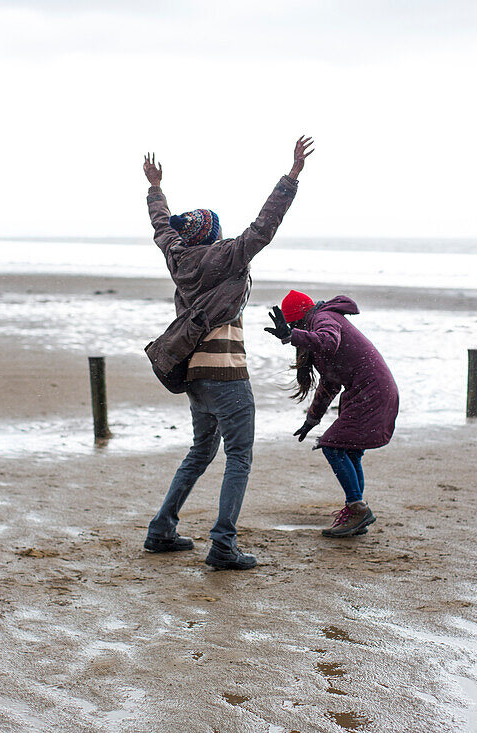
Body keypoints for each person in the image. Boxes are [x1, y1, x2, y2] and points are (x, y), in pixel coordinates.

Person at [142, 136, 315, 570]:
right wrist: (291, 176)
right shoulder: (230, 257)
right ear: (214, 235)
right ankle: (223, 544)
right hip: (227, 374)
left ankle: (162, 529)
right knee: (239, 455)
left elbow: (164, 228)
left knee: (201, 452)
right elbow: (264, 226)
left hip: (195, 376)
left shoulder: (179, 259)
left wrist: (155, 189)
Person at [265, 289, 399, 537]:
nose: (295, 328)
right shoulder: (320, 321)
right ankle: (357, 513)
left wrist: (290, 335)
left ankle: (357, 508)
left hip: (371, 392)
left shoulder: (323, 318)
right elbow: (330, 382)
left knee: (333, 446)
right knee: (349, 450)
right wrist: (311, 420)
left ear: (299, 319)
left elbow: (328, 341)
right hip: (374, 390)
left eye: (294, 323)